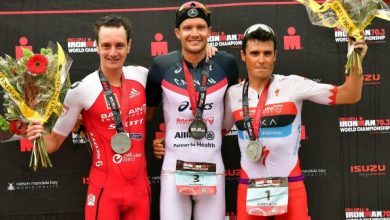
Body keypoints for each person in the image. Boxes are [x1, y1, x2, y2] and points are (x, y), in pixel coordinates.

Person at [222, 24, 367, 219]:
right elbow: (214, 133)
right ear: (243, 55)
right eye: (255, 53)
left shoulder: (292, 85)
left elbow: (349, 94)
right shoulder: (233, 94)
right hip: (250, 187)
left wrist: (355, 57)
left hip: (291, 186)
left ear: (275, 55)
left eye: (267, 53)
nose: (261, 60)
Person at [27, 15, 150, 220]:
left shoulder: (143, 76)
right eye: (106, 45)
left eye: (119, 45)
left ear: (129, 46)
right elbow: (52, 143)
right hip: (105, 192)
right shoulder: (81, 90)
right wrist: (35, 134)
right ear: (96, 46)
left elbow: (180, 69)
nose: (113, 52)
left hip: (141, 192)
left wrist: (209, 53)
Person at [146, 1, 239, 219]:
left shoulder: (226, 64)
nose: (194, 33)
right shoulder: (161, 65)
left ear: (210, 31)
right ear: (177, 33)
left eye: (200, 27)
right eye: (188, 28)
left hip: (212, 168)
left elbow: (233, 112)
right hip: (173, 169)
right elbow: (146, 115)